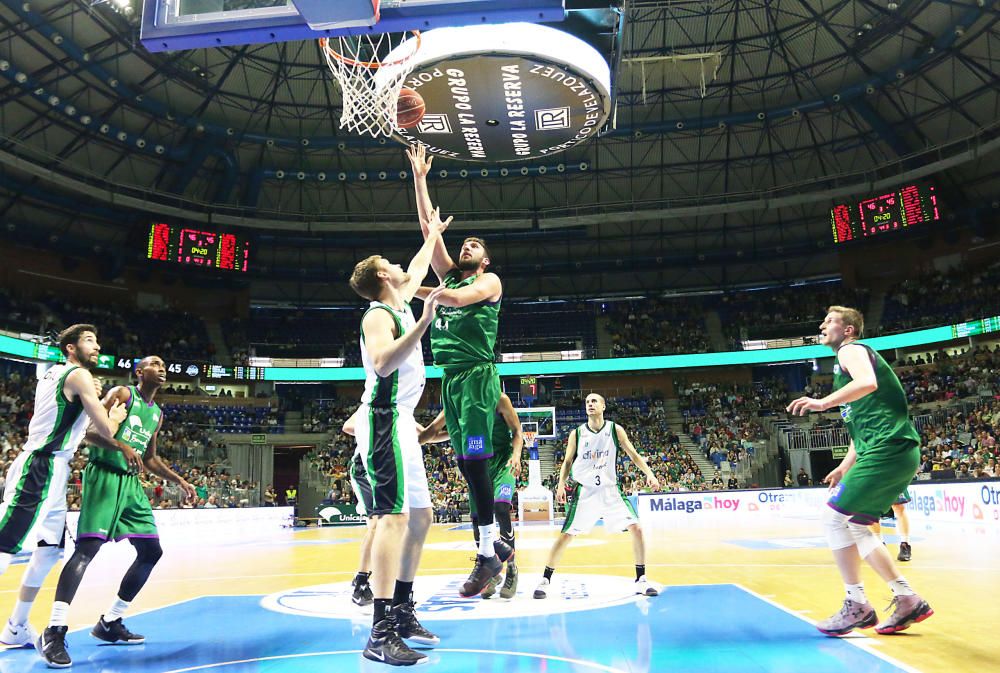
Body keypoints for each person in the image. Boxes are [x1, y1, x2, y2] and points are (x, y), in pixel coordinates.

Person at [39, 355, 197, 668]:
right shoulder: (124, 395)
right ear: (140, 372)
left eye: (164, 365)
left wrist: (179, 480)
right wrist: (121, 446)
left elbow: (149, 458)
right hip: (104, 475)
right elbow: (88, 432)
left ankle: (110, 622)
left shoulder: (157, 414)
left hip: (131, 484)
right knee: (87, 549)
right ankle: (54, 630)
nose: (162, 368)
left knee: (151, 550)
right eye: (154, 364)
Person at [787, 305, 933, 636]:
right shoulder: (845, 372)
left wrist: (822, 403)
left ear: (848, 330)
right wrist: (843, 466)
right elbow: (862, 431)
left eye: (829, 321)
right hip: (884, 451)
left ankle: (857, 604)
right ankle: (906, 598)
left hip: (889, 449)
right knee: (856, 525)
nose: (822, 325)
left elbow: (867, 382)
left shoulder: (851, 351)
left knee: (833, 518)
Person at [407, 144, 513, 597]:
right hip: (450, 380)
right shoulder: (450, 274)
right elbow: (430, 231)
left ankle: (490, 553)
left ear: (484, 260)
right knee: (468, 470)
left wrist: (409, 287)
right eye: (464, 243)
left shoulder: (487, 282)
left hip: (476, 377)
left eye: (474, 245)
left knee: (473, 462)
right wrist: (419, 179)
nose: (466, 245)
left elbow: (453, 300)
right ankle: (494, 548)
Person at [348, 210, 450, 666]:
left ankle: (404, 609)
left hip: (402, 419)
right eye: (392, 262)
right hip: (385, 418)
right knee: (391, 520)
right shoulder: (377, 314)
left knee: (422, 517)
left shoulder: (400, 298)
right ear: (384, 276)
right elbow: (384, 361)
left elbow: (422, 263)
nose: (401, 265)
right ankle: (380, 629)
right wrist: (425, 320)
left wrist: (433, 233)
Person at [0, 325, 140, 650]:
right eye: (90, 340)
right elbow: (105, 429)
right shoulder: (78, 376)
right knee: (4, 545)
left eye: (97, 338)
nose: (98, 345)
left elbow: (81, 426)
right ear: (71, 348)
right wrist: (115, 415)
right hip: (41, 465)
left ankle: (15, 626)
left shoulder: (57, 374)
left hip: (55, 468)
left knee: (49, 553)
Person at [533, 393, 661, 600]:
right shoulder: (577, 433)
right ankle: (545, 579)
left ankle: (641, 579)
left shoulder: (615, 430)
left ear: (603, 406)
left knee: (636, 528)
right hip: (586, 491)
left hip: (611, 490)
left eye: (594, 401)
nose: (590, 404)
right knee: (566, 535)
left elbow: (633, 454)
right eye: (587, 402)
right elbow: (566, 462)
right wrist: (560, 485)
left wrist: (649, 474)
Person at [419, 393, 524, 599]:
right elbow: (434, 431)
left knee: (501, 508)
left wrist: (516, 455)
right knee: (478, 526)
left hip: (503, 462)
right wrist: (412, 442)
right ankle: (491, 569)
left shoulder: (500, 399)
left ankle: (511, 567)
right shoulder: (455, 401)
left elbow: (517, 431)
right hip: (478, 466)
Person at [871, 490, 914, 562]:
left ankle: (905, 545)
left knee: (898, 507)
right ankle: (880, 545)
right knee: (871, 510)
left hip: (891, 479)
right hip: (871, 480)